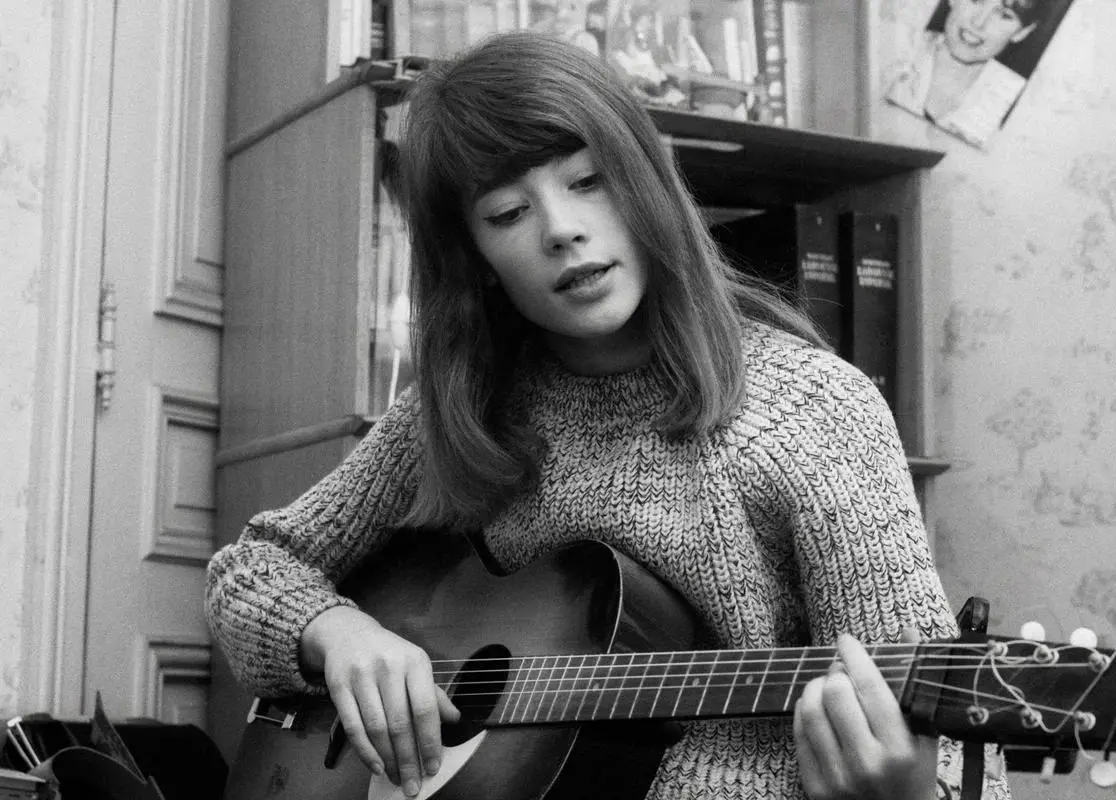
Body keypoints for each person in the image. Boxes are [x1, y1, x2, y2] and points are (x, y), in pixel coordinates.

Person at [205, 31, 1012, 800]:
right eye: (507, 214)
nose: (562, 230)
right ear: (475, 260)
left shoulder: (815, 411)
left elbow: (957, 751)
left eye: (587, 180)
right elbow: (250, 573)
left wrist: (906, 790)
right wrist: (340, 636)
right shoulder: (458, 413)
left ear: (645, 182)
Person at [887, 0, 1044, 148]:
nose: (978, 23)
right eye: (975, 0)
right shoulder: (895, 44)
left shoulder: (1019, 105)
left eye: (1005, 15)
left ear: (1023, 32)